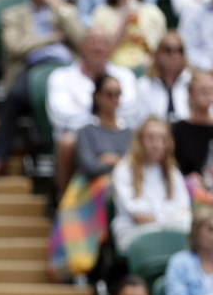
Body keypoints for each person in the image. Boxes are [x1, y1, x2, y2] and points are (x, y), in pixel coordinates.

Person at [0, 0, 83, 181]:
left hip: (65, 69)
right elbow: (14, 46)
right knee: (14, 96)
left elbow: (82, 42)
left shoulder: (65, 11)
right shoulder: (13, 14)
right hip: (30, 66)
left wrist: (59, 9)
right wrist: (50, 38)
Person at [46, 26, 143, 193]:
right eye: (92, 42)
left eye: (102, 43)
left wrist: (84, 107)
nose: (97, 47)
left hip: (119, 132)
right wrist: (100, 116)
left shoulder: (125, 75)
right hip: (79, 135)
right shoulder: (60, 76)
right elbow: (60, 116)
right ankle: (65, 202)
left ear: (110, 47)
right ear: (81, 46)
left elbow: (131, 110)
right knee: (67, 142)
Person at [110, 117, 192, 251]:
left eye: (162, 139)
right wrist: (166, 218)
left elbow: (183, 208)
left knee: (186, 225)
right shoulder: (124, 169)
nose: (157, 144)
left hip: (167, 229)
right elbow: (138, 215)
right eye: (151, 138)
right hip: (135, 231)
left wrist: (160, 219)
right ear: (140, 141)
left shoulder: (172, 172)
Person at [89, 0, 166, 70]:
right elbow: (99, 54)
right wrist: (123, 25)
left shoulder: (153, 12)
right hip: (112, 69)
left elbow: (161, 50)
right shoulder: (101, 13)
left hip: (147, 70)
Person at [172, 70, 213, 201]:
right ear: (190, 92)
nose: (209, 96)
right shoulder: (177, 130)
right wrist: (187, 179)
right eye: (203, 91)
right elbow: (170, 165)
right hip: (185, 195)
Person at [75, 73, 132, 179]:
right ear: (96, 96)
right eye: (109, 94)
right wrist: (123, 163)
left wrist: (114, 161)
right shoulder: (86, 131)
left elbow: (136, 167)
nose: (114, 98)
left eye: (118, 94)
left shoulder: (130, 132)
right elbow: (89, 167)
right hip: (95, 192)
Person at [136, 31, 193, 124]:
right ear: (158, 54)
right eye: (168, 50)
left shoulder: (193, 83)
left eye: (179, 50)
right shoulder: (144, 85)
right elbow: (137, 121)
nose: (174, 55)